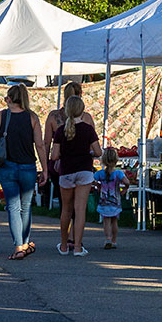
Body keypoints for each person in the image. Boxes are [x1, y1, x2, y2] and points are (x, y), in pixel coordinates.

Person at [0, 84, 48, 261]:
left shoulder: (1, 116)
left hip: (7, 167)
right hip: (28, 167)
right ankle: (25, 242)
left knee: (13, 207)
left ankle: (18, 247)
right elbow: (40, 145)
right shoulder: (32, 117)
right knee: (26, 207)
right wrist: (44, 169)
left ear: (9, 98)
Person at [51, 95, 102, 257]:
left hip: (66, 171)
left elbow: (54, 156)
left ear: (67, 111)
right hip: (85, 170)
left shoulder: (60, 131)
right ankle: (78, 247)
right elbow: (99, 152)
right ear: (82, 110)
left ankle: (64, 245)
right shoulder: (88, 129)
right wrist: (89, 152)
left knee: (66, 209)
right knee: (80, 210)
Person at [43, 82, 95, 235]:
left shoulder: (53, 116)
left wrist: (45, 166)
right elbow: (94, 146)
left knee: (65, 205)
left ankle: (64, 240)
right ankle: (76, 239)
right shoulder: (86, 118)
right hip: (83, 165)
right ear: (80, 97)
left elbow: (46, 143)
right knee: (80, 207)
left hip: (60, 166)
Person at [93, 149, 130, 249]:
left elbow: (91, 180)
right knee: (114, 221)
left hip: (104, 201)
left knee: (106, 221)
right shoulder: (118, 173)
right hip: (115, 201)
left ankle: (108, 238)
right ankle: (114, 240)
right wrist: (124, 189)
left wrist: (98, 186)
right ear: (116, 160)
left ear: (103, 160)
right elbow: (127, 182)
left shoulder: (100, 174)